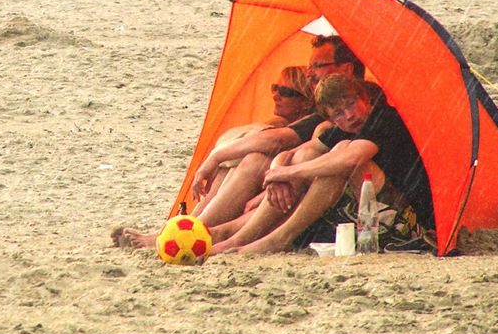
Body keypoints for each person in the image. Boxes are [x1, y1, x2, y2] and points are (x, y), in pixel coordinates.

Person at [114, 35, 363, 249]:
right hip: (304, 181)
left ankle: (199, 231)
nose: (311, 73)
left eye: (318, 65)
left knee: (256, 159)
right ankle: (188, 227)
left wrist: (218, 157)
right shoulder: (331, 108)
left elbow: (285, 139)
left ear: (347, 69)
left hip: (331, 191)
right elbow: (294, 144)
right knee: (247, 158)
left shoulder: (345, 107)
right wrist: (276, 168)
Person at [211, 74, 434, 255]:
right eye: (338, 113)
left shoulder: (385, 118)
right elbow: (293, 153)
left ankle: (279, 238)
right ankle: (237, 236)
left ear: (364, 98)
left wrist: (288, 173)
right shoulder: (341, 129)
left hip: (406, 223)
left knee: (339, 154)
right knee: (309, 154)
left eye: (351, 104)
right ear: (331, 119)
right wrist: (277, 174)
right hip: (366, 214)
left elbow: (351, 159)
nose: (349, 115)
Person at [190, 65, 315, 216]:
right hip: (272, 181)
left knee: (253, 159)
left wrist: (215, 158)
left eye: (285, 92)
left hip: (285, 188)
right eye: (275, 88)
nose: (275, 96)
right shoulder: (278, 123)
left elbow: (276, 141)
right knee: (233, 159)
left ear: (306, 103)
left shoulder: (308, 126)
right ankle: (193, 220)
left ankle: (198, 225)